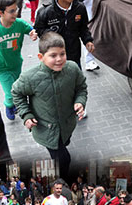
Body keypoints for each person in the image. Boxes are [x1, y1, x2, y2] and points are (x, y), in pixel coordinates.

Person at [11, 31, 87, 180]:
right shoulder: (30, 77)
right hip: (47, 130)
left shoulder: (72, 69)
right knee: (64, 159)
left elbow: (81, 87)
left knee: (65, 141)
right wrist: (26, 115)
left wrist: (80, 101)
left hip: (67, 124)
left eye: (62, 54)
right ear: (41, 57)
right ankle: (63, 182)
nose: (59, 59)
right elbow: (17, 93)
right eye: (53, 55)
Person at [34, 0, 94, 68]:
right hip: (54, 60)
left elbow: (83, 28)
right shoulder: (45, 12)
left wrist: (88, 41)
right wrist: (51, 34)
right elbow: (38, 29)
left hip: (74, 56)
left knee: (76, 81)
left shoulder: (80, 8)